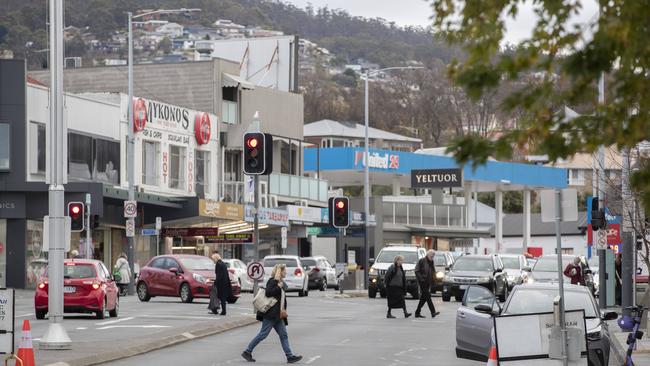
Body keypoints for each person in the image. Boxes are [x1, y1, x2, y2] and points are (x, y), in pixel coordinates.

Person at [242, 264, 302, 363]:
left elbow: (284, 288)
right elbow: (268, 292)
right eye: (284, 271)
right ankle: (247, 351)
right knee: (263, 334)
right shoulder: (272, 281)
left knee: (283, 335)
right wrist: (278, 286)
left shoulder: (280, 282)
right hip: (271, 315)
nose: (286, 272)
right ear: (279, 272)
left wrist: (280, 283)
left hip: (278, 316)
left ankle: (290, 356)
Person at [414, 250, 440, 318]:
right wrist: (421, 279)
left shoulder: (431, 261)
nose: (432, 257)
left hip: (428, 282)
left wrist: (435, 280)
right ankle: (433, 312)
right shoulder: (421, 261)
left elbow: (433, 271)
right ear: (427, 255)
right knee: (428, 297)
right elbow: (416, 270)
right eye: (431, 256)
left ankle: (417, 312)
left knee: (423, 298)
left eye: (433, 256)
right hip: (422, 282)